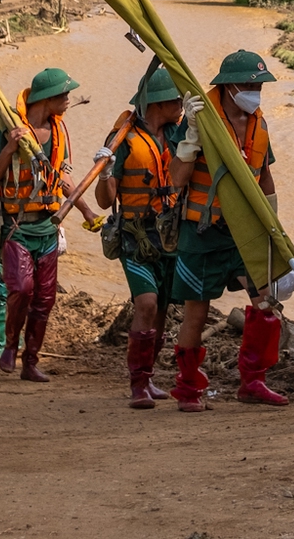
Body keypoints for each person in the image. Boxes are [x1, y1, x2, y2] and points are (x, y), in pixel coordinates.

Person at [166, 50, 287, 412]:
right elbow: (175, 180)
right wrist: (189, 140)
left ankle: (253, 382)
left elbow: (264, 176)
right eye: (249, 85)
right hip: (203, 231)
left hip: (246, 231)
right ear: (228, 87)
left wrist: (274, 226)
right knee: (196, 313)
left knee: (266, 303)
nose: (255, 92)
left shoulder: (259, 124)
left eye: (259, 85)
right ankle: (188, 389)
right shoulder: (202, 120)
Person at [0, 67, 77, 381]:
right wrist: (9, 146)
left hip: (48, 226)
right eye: (64, 94)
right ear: (47, 99)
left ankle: (30, 362)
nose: (68, 100)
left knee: (45, 299)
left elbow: (61, 177)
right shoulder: (8, 128)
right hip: (16, 227)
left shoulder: (60, 131)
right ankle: (10, 345)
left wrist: (86, 210)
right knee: (20, 288)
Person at [93, 66, 184, 408]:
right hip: (136, 236)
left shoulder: (177, 134)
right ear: (159, 103)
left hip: (171, 233)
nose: (181, 107)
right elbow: (105, 201)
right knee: (145, 304)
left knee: (161, 308)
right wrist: (104, 170)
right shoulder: (123, 140)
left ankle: (148, 378)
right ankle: (137, 384)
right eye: (176, 101)